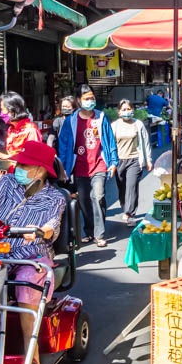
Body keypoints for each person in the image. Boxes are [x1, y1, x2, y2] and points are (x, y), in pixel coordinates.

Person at [0, 141, 65, 364]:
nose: (20, 168)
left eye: (25, 165)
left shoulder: (56, 198)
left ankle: (32, 360)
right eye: (20, 163)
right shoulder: (6, 182)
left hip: (31, 257)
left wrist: (40, 231)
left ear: (40, 170)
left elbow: (52, 227)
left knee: (26, 285)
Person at [57, 84, 118, 246]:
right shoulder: (70, 121)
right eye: (86, 98)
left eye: (92, 98)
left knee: (98, 196)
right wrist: (63, 167)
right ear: (78, 100)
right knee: (84, 200)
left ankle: (100, 234)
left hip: (99, 165)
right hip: (80, 167)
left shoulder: (101, 117)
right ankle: (90, 231)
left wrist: (113, 162)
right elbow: (63, 146)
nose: (90, 101)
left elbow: (110, 140)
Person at [111, 99, 153, 224]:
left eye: (129, 109)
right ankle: (125, 208)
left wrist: (148, 160)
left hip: (135, 160)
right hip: (119, 161)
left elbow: (145, 143)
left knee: (132, 187)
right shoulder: (114, 126)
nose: (126, 111)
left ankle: (130, 213)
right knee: (122, 188)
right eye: (123, 109)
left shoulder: (138, 124)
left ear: (133, 110)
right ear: (119, 112)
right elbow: (109, 145)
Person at [0, 91, 40, 161]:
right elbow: (12, 154)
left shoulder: (30, 130)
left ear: (12, 110)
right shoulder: (11, 129)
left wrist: (5, 157)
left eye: (2, 110)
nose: (1, 114)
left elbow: (32, 157)